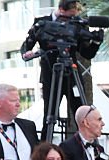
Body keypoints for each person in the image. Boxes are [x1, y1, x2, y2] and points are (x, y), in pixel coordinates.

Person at [21, 1, 104, 133]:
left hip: (72, 75)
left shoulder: (77, 25)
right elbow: (26, 46)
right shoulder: (42, 23)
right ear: (61, 9)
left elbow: (87, 53)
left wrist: (96, 42)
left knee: (82, 112)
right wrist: (28, 52)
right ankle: (45, 148)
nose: (72, 18)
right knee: (49, 113)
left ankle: (85, 144)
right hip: (51, 75)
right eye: (70, 15)